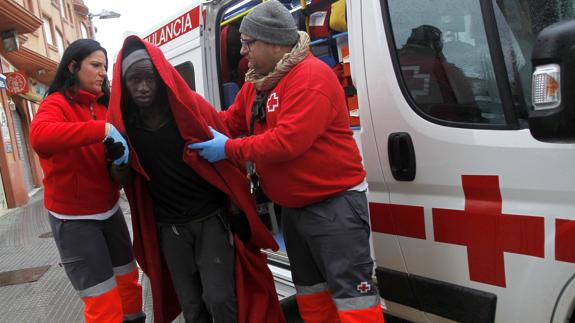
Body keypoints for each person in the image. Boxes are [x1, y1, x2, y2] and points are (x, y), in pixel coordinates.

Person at [189, 1, 385, 322]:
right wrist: (190, 119)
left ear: (276, 43)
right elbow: (230, 121)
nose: (242, 51)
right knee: (311, 295)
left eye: (249, 43)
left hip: (334, 208)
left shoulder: (311, 77)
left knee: (354, 299)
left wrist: (229, 150)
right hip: (294, 210)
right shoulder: (258, 85)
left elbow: (288, 141)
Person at [106, 36, 284, 323]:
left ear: (161, 77)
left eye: (149, 78)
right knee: (191, 305)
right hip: (169, 228)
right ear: (124, 84)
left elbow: (227, 164)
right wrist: (117, 161)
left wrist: (237, 211)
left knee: (220, 299)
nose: (142, 87)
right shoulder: (125, 125)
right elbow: (125, 180)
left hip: (209, 220)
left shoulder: (191, 108)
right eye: (134, 79)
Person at [29, 39, 144, 323]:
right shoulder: (55, 104)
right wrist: (101, 130)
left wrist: (116, 160)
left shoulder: (104, 105)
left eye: (105, 66)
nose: (102, 72)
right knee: (103, 301)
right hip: (74, 220)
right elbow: (39, 136)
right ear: (73, 66)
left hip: (109, 210)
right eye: (95, 65)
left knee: (129, 284)